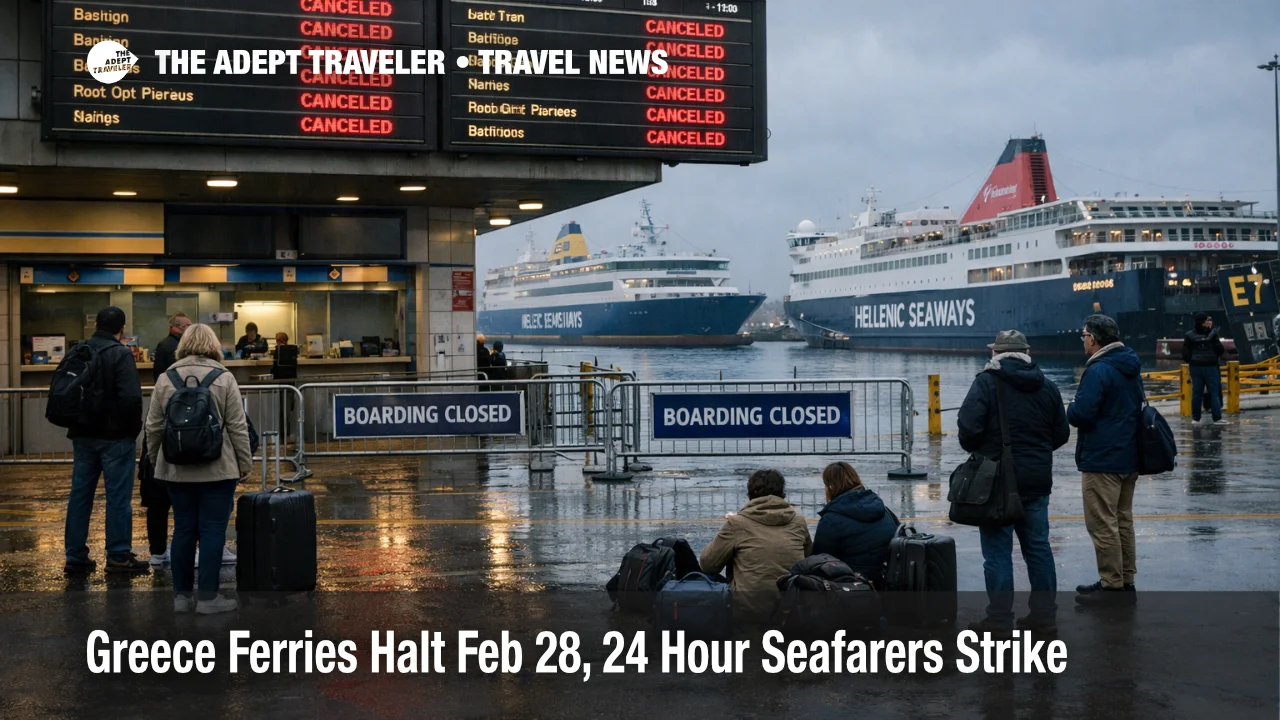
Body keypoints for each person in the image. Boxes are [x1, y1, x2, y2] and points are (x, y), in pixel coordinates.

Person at [957, 329, 1071, 634]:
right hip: (1036, 480)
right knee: (1037, 548)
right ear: (1027, 352)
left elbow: (968, 428)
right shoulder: (1047, 386)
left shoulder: (986, 382)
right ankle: (1044, 615)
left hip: (996, 482)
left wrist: (984, 450)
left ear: (996, 354)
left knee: (997, 552)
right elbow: (1061, 434)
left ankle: (999, 619)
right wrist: (1035, 452)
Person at [145, 324, 253, 615]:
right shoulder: (224, 377)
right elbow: (237, 426)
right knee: (213, 529)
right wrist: (245, 462)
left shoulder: (166, 378)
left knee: (183, 528)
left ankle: (181, 598)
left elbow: (153, 426)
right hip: (218, 468)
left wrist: (157, 461)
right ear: (213, 345)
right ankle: (208, 598)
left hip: (176, 468)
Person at [63, 307, 149, 575]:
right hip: (115, 437)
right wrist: (132, 431)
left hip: (83, 434)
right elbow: (131, 398)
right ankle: (118, 555)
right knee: (118, 498)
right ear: (121, 329)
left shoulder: (79, 351)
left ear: (96, 324)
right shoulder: (120, 353)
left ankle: (75, 556)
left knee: (80, 496)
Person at [1067, 315, 1144, 607]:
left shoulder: (1099, 369)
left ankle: (1111, 586)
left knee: (1102, 523)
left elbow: (1082, 413)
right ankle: (1125, 579)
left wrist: (1070, 409)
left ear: (1095, 339)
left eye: (1084, 335)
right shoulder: (1129, 365)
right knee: (1123, 520)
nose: (1083, 340)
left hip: (1102, 458)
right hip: (1129, 455)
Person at [699, 469, 812, 624]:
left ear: (750, 495)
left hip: (748, 608)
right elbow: (808, 560)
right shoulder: (798, 522)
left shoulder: (737, 524)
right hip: (790, 606)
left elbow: (707, 564)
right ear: (782, 494)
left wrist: (728, 533)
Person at [141, 312, 191, 565]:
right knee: (186, 502)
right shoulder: (170, 350)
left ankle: (158, 552)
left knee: (158, 502)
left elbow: (153, 425)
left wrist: (152, 455)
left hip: (165, 435)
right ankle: (176, 552)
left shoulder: (164, 355)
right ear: (176, 328)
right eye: (187, 326)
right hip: (181, 434)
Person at [811, 462, 896, 588]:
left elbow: (819, 561)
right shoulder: (883, 510)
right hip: (889, 583)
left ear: (830, 487)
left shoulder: (831, 519)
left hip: (853, 587)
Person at [1182, 312, 1226, 425]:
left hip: (1196, 367)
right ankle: (1217, 418)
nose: (1208, 322)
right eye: (1207, 320)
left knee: (1196, 393)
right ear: (1203, 322)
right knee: (1214, 393)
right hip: (1211, 366)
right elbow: (1220, 350)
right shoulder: (1213, 334)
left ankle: (1196, 418)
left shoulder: (1189, 335)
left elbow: (1185, 355)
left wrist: (1192, 359)